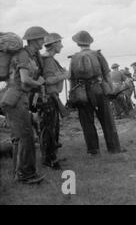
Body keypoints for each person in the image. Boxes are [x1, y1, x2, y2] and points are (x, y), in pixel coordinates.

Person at [0, 26, 48, 184]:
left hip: (18, 98)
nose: (43, 41)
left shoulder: (30, 55)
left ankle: (18, 172)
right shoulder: (23, 54)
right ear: (34, 40)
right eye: (41, 38)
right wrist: (39, 83)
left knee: (20, 137)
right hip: (15, 99)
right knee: (26, 137)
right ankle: (26, 175)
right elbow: (25, 79)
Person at [69, 31, 124, 155]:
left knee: (87, 122)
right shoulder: (98, 55)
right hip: (98, 89)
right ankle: (114, 148)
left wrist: (73, 95)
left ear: (78, 43)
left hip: (81, 92)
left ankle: (93, 150)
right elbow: (107, 75)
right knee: (107, 120)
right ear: (89, 42)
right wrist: (110, 90)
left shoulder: (74, 57)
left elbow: (71, 78)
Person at [40, 33, 69, 170]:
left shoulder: (49, 58)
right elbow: (48, 80)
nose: (62, 46)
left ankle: (52, 157)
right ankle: (49, 160)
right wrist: (64, 75)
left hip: (51, 97)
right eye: (60, 43)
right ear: (54, 44)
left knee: (52, 129)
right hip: (49, 98)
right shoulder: (49, 60)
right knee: (49, 130)